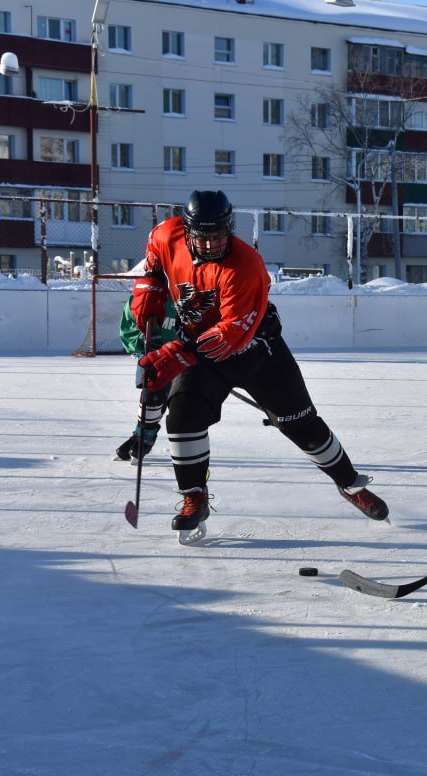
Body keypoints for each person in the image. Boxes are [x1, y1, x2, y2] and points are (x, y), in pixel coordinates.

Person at [131, 189, 389, 543]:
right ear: (187, 231)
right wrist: (150, 287)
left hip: (255, 349)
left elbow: (229, 335)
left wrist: (173, 354)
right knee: (181, 418)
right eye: (202, 238)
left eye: (218, 237)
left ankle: (349, 483)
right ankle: (195, 498)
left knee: (303, 426)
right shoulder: (166, 234)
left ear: (229, 230)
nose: (210, 246)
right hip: (199, 349)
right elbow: (154, 261)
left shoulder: (245, 265)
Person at [113, 296, 179, 462]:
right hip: (153, 360)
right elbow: (127, 331)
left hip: (181, 359)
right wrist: (144, 343)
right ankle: (141, 437)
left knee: (179, 407)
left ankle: (142, 438)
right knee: (152, 400)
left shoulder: (186, 292)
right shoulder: (141, 298)